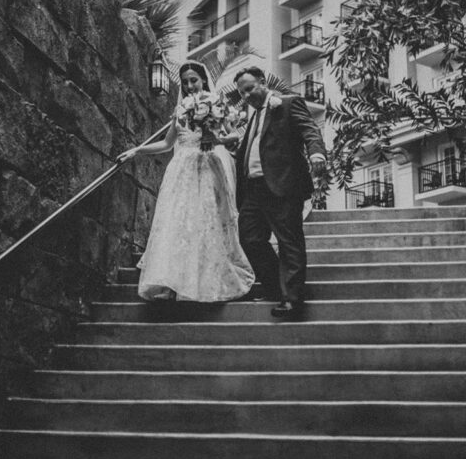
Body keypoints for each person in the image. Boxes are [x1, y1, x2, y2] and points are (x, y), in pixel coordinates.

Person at [117, 61, 255, 302]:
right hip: (181, 170)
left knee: (206, 220)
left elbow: (233, 136)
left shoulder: (216, 103)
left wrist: (216, 139)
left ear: (203, 80)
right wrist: (137, 150)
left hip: (208, 167)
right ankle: (173, 281)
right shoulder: (180, 109)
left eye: (194, 80)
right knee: (178, 222)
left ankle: (204, 280)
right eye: (185, 82)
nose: (190, 86)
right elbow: (167, 143)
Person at [233, 66, 327, 318]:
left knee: (289, 241)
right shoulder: (254, 116)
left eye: (250, 89)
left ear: (263, 82)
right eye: (242, 93)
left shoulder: (286, 103)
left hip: (283, 184)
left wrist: (317, 153)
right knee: (250, 239)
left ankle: (292, 299)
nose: (246, 96)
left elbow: (310, 129)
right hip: (253, 189)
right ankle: (276, 287)